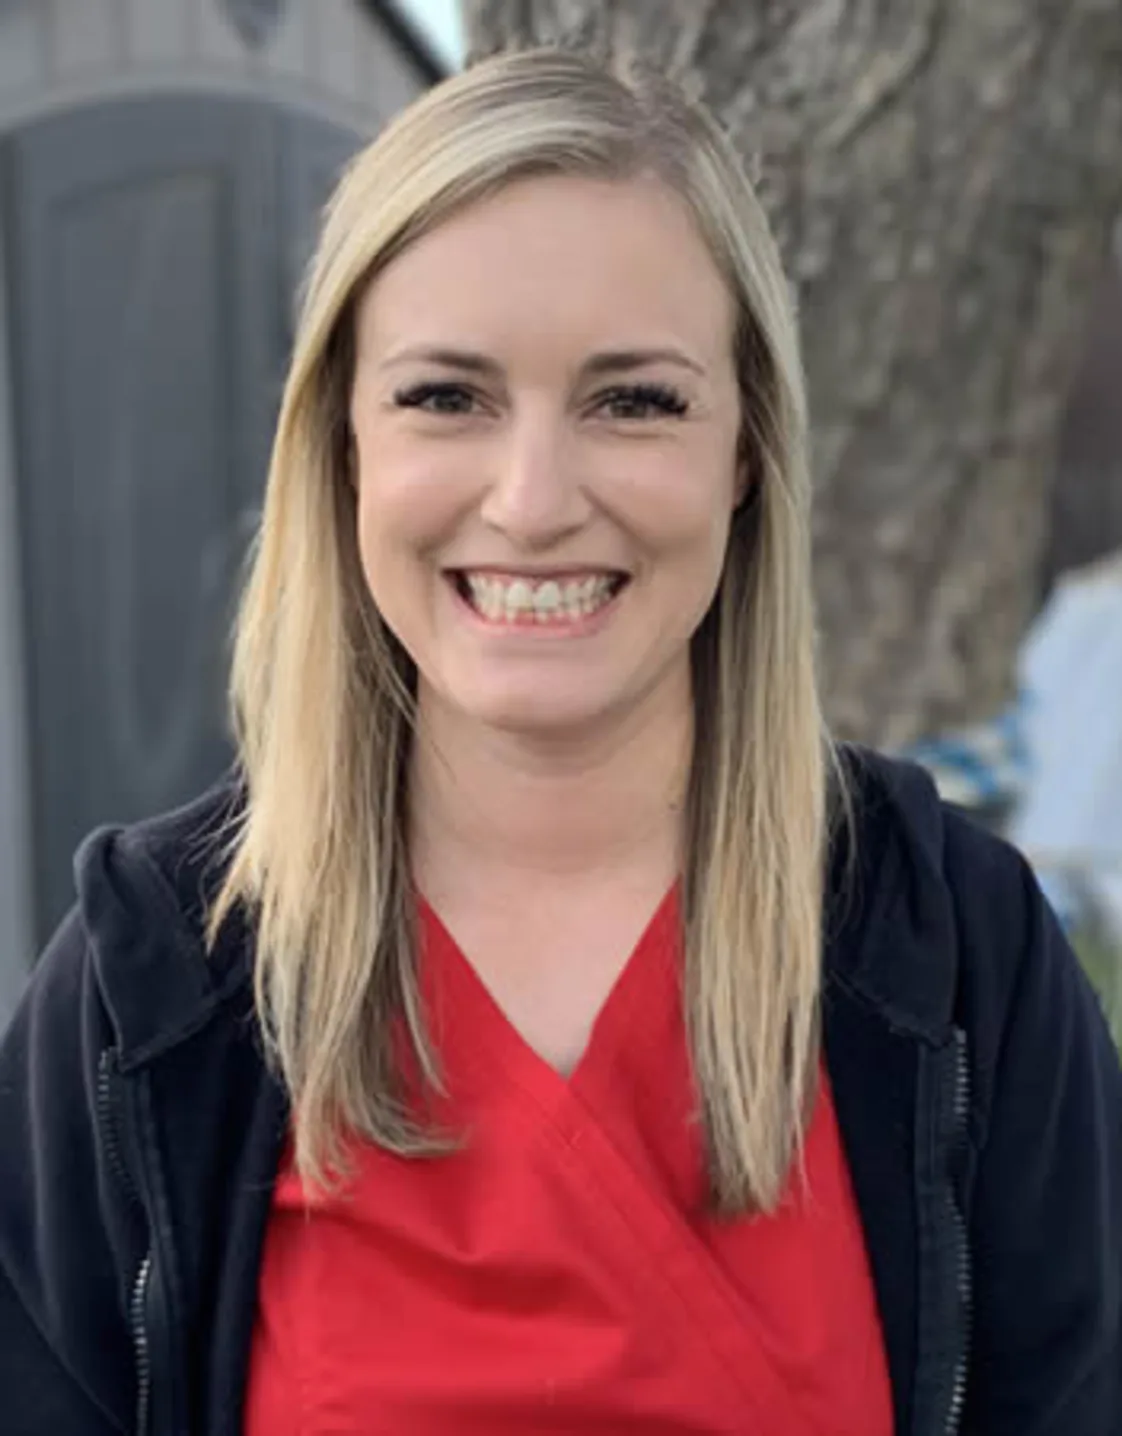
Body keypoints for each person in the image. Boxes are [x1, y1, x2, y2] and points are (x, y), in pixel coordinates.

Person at [0, 47, 1118, 1436]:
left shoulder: (957, 959)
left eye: (631, 401)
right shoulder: (155, 988)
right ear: (342, 445)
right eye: (445, 397)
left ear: (745, 452)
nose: (531, 504)